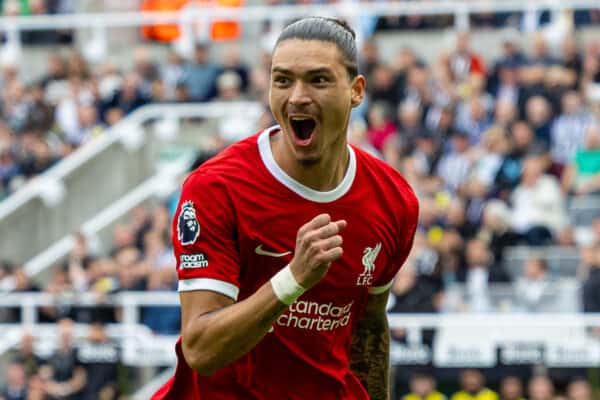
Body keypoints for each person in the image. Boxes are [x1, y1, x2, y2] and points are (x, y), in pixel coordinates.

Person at [152, 17, 419, 400]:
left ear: (356, 91)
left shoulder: (393, 200)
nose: (297, 96)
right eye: (283, 80)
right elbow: (201, 349)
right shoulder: (216, 188)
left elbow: (369, 329)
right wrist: (293, 278)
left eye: (318, 79)